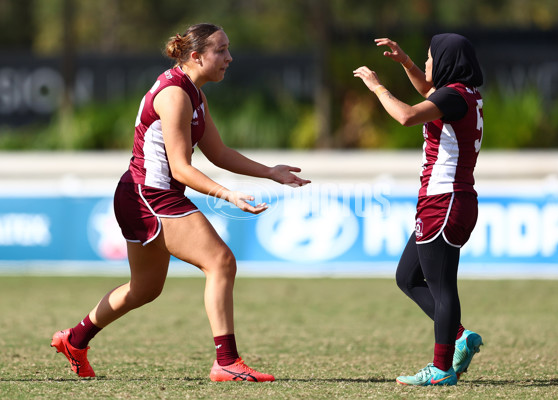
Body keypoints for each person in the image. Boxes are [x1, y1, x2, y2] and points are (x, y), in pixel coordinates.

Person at [51, 23, 310, 382]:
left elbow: (217, 153)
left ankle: (74, 339)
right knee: (221, 261)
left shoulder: (194, 93)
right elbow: (181, 168)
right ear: (196, 56)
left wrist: (269, 172)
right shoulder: (174, 95)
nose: (229, 57)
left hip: (142, 194)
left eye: (228, 49)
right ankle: (226, 362)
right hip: (149, 196)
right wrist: (228, 194)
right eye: (221, 50)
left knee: (145, 289)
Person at [353, 33, 484, 386]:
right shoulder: (463, 95)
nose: (427, 65)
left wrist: (377, 87)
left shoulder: (454, 95)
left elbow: (407, 116)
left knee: (442, 288)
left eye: (429, 58)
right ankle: (460, 337)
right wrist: (407, 63)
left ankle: (441, 368)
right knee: (407, 277)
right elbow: (429, 93)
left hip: (444, 201)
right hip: (452, 200)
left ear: (445, 62)